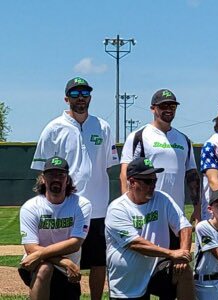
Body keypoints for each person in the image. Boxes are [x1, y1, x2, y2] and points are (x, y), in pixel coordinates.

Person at [32, 77, 118, 300]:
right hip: (66, 207)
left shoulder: (103, 127)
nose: (81, 98)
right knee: (62, 260)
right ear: (66, 98)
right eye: (75, 93)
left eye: (85, 93)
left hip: (98, 208)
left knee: (99, 262)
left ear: (90, 97)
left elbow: (109, 165)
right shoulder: (53, 128)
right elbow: (43, 171)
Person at [105, 159, 194, 300]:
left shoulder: (162, 199)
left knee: (184, 271)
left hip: (156, 268)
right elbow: (135, 244)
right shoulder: (117, 209)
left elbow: (185, 226)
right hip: (127, 279)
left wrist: (181, 257)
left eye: (154, 181)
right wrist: (172, 253)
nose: (152, 185)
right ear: (132, 182)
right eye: (147, 181)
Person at [120, 89, 200, 240]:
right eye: (164, 106)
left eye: (172, 106)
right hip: (146, 212)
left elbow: (192, 175)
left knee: (177, 260)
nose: (168, 110)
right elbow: (125, 173)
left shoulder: (183, 139)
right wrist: (128, 207)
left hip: (176, 213)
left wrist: (197, 208)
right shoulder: (139, 136)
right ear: (153, 108)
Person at [18, 156, 91, 300]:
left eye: (61, 175)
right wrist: (63, 261)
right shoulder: (30, 207)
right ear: (43, 178)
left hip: (68, 272)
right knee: (45, 268)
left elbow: (75, 243)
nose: (56, 179)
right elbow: (31, 248)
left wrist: (41, 254)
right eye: (51, 174)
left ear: (67, 179)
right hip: (39, 264)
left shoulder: (81, 205)